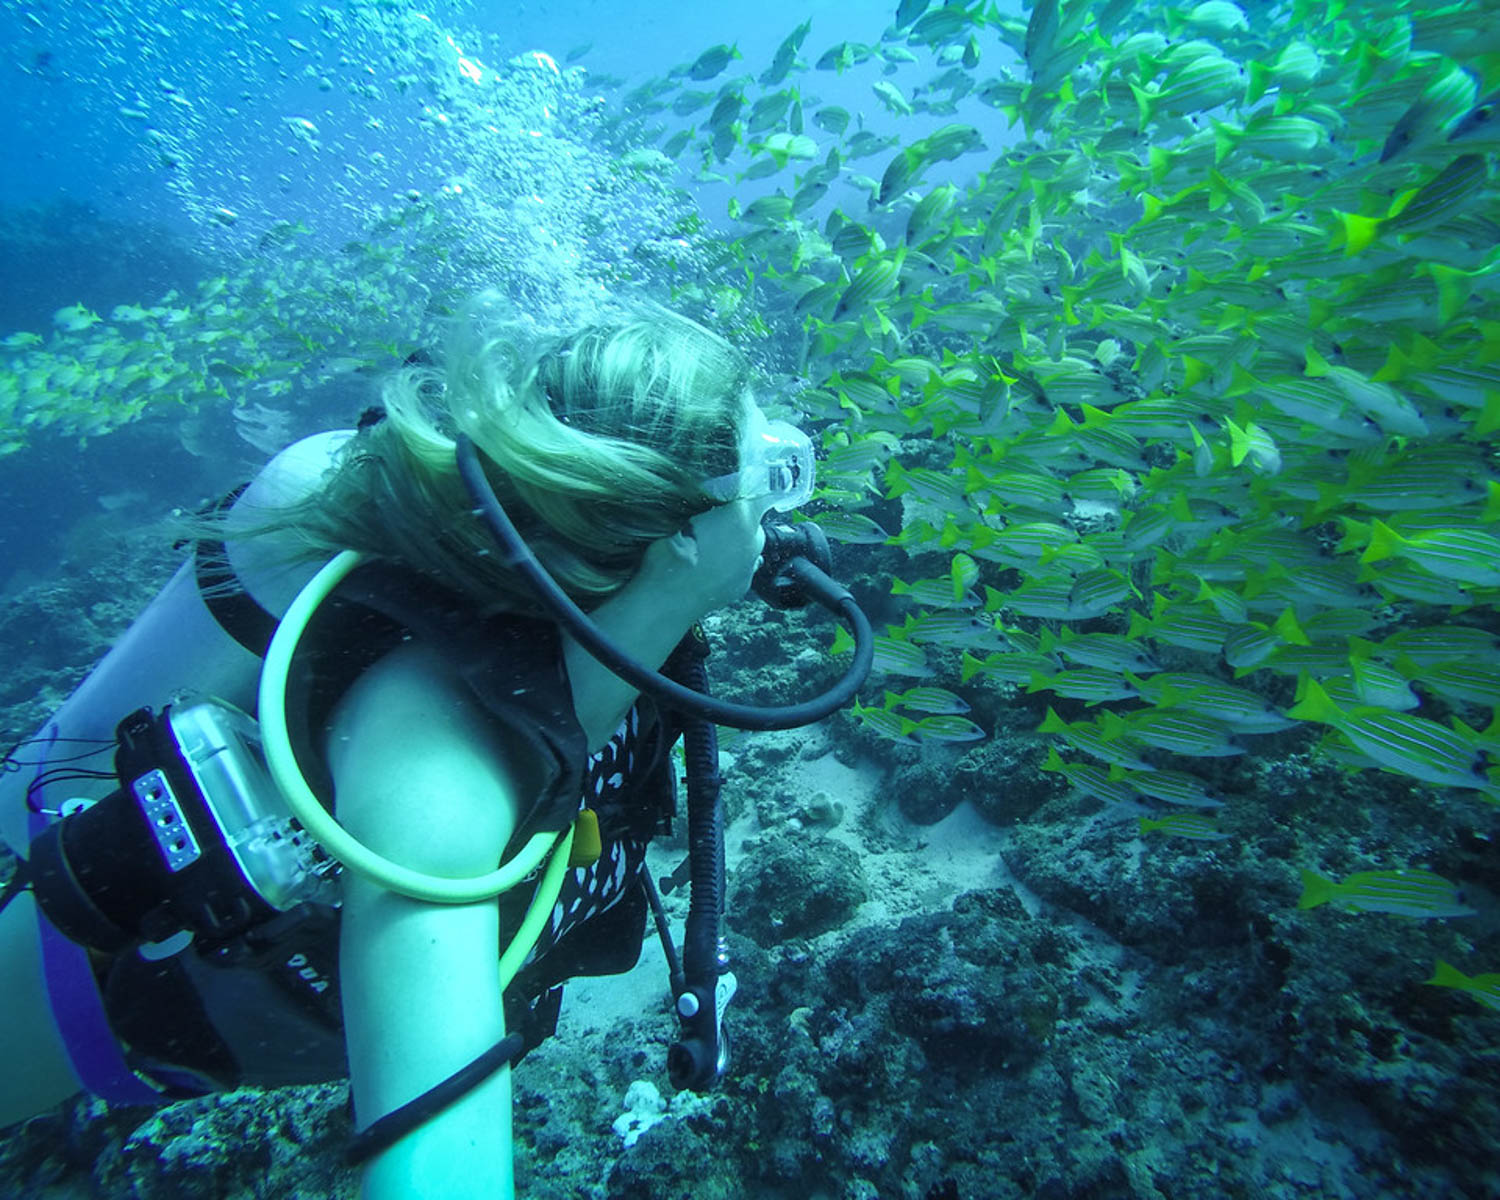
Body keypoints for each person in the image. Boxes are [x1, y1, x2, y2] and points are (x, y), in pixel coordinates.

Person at [0, 302, 798, 1198]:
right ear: (682, 534)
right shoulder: (434, 773)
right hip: (83, 998)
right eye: (770, 472)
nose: (782, 501)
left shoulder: (621, 631)